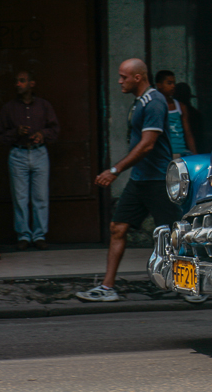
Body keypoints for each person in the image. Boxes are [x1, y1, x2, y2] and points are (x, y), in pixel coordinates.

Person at [76, 58, 181, 302]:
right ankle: (107, 287)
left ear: (138, 77)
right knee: (118, 228)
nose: (120, 81)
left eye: (124, 76)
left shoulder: (154, 102)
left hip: (157, 180)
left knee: (174, 235)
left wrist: (115, 170)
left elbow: (147, 145)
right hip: (140, 179)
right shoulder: (139, 102)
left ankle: (191, 286)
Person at [0, 71, 60, 251]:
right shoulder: (9, 108)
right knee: (20, 198)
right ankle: (23, 235)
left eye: (22, 81)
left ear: (32, 83)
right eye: (16, 81)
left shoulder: (44, 106)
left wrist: (42, 134)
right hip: (18, 153)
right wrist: (16, 132)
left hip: (39, 152)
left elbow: (54, 129)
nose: (18, 84)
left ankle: (39, 235)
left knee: (40, 197)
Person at [155, 70, 197, 158]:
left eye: (174, 83)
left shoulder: (180, 106)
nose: (173, 86)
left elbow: (187, 132)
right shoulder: (154, 106)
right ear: (159, 85)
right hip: (163, 155)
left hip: (181, 153)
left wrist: (194, 154)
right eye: (169, 83)